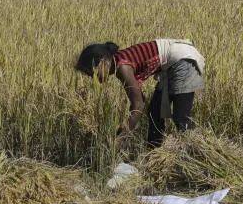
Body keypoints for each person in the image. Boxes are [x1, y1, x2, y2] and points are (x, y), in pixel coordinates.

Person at [75, 39, 205, 147]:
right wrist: (126, 126)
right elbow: (139, 101)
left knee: (181, 117)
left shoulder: (122, 67)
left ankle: (196, 151)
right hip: (170, 65)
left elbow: (138, 105)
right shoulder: (119, 63)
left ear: (103, 61)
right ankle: (155, 153)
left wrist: (121, 138)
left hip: (183, 60)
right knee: (155, 111)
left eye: (93, 72)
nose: (93, 77)